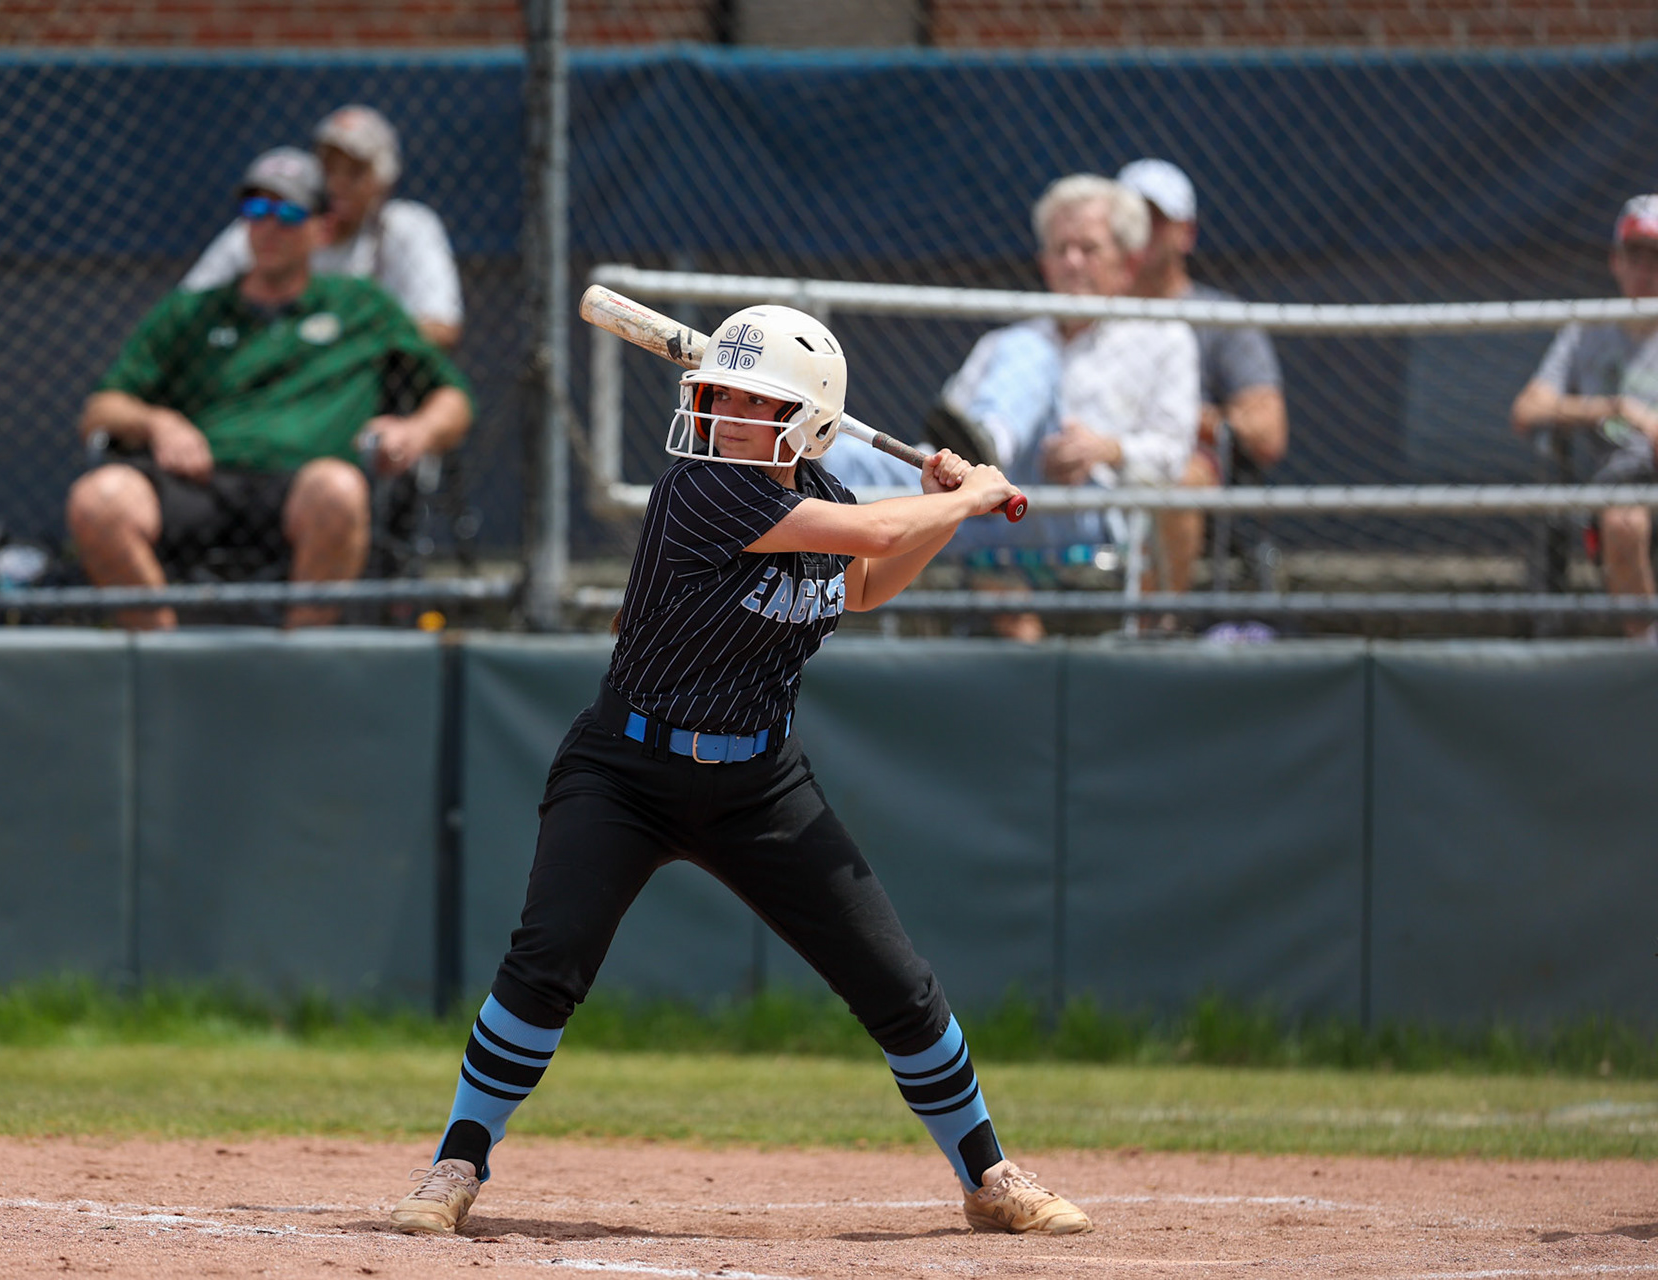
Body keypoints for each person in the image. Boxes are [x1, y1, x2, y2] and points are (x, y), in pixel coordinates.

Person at [387, 303, 1092, 1241]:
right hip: (626, 772)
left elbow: (873, 577)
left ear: (804, 424)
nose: (716, 408)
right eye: (714, 391)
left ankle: (986, 1174)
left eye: (744, 400)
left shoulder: (830, 502)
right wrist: (962, 497)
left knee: (898, 984)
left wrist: (941, 510)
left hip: (760, 784)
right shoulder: (699, 489)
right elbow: (882, 539)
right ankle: (457, 1163)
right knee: (546, 962)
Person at [66, 148, 473, 630]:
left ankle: (298, 674)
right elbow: (101, 409)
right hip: (200, 483)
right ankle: (165, 663)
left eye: (288, 212)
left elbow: (453, 399)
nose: (268, 227)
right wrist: (157, 422)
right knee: (99, 500)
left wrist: (418, 432)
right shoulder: (190, 312)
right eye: (256, 211)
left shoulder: (363, 306)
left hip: (301, 489)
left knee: (338, 490)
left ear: (321, 229)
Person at [941, 173, 1199, 637]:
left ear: (1129, 261)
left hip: (1093, 515)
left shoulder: (1166, 339)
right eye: (1060, 250)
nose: (1072, 262)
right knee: (1025, 355)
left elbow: (1174, 455)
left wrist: (1106, 451)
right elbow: (946, 435)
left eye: (1088, 248)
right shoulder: (1005, 344)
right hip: (992, 513)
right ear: (1043, 263)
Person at [1117, 158, 1288, 593]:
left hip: (1177, 478)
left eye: (1158, 219)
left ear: (1186, 233)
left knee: (1182, 474)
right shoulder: (1078, 312)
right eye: (1133, 219)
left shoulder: (1223, 320)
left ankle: (1154, 634)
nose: (1145, 231)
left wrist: (1175, 418)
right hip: (1094, 466)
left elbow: (1268, 434)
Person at [181, 105, 463, 351]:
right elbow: (188, 306)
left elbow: (441, 326)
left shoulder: (405, 227)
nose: (337, 183)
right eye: (328, 168)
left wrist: (340, 347)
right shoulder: (268, 223)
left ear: (383, 180)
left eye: (354, 172)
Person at [1511, 194, 1658, 637]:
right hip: (1622, 484)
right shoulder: (1586, 331)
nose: (1646, 270)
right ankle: (1649, 658)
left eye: (1657, 257)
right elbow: (1525, 411)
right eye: (1636, 255)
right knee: (1623, 520)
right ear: (1615, 261)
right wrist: (1615, 409)